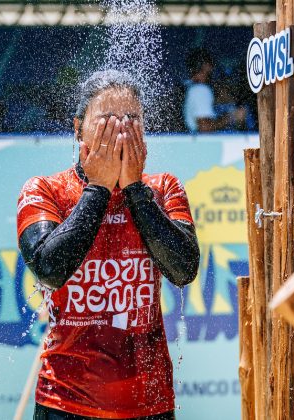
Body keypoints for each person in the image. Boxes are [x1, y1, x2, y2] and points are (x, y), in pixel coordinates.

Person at [17, 70, 200, 420]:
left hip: (150, 402)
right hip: (66, 403)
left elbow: (183, 270)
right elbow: (50, 269)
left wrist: (134, 189)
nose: (121, 130)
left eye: (132, 120)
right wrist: (99, 188)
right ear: (78, 128)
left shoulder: (163, 188)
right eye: (107, 121)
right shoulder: (44, 190)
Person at [183, 48, 244, 133]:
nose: (213, 69)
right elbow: (204, 127)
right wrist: (232, 117)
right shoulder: (200, 90)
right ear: (206, 66)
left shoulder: (189, 87)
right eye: (211, 64)